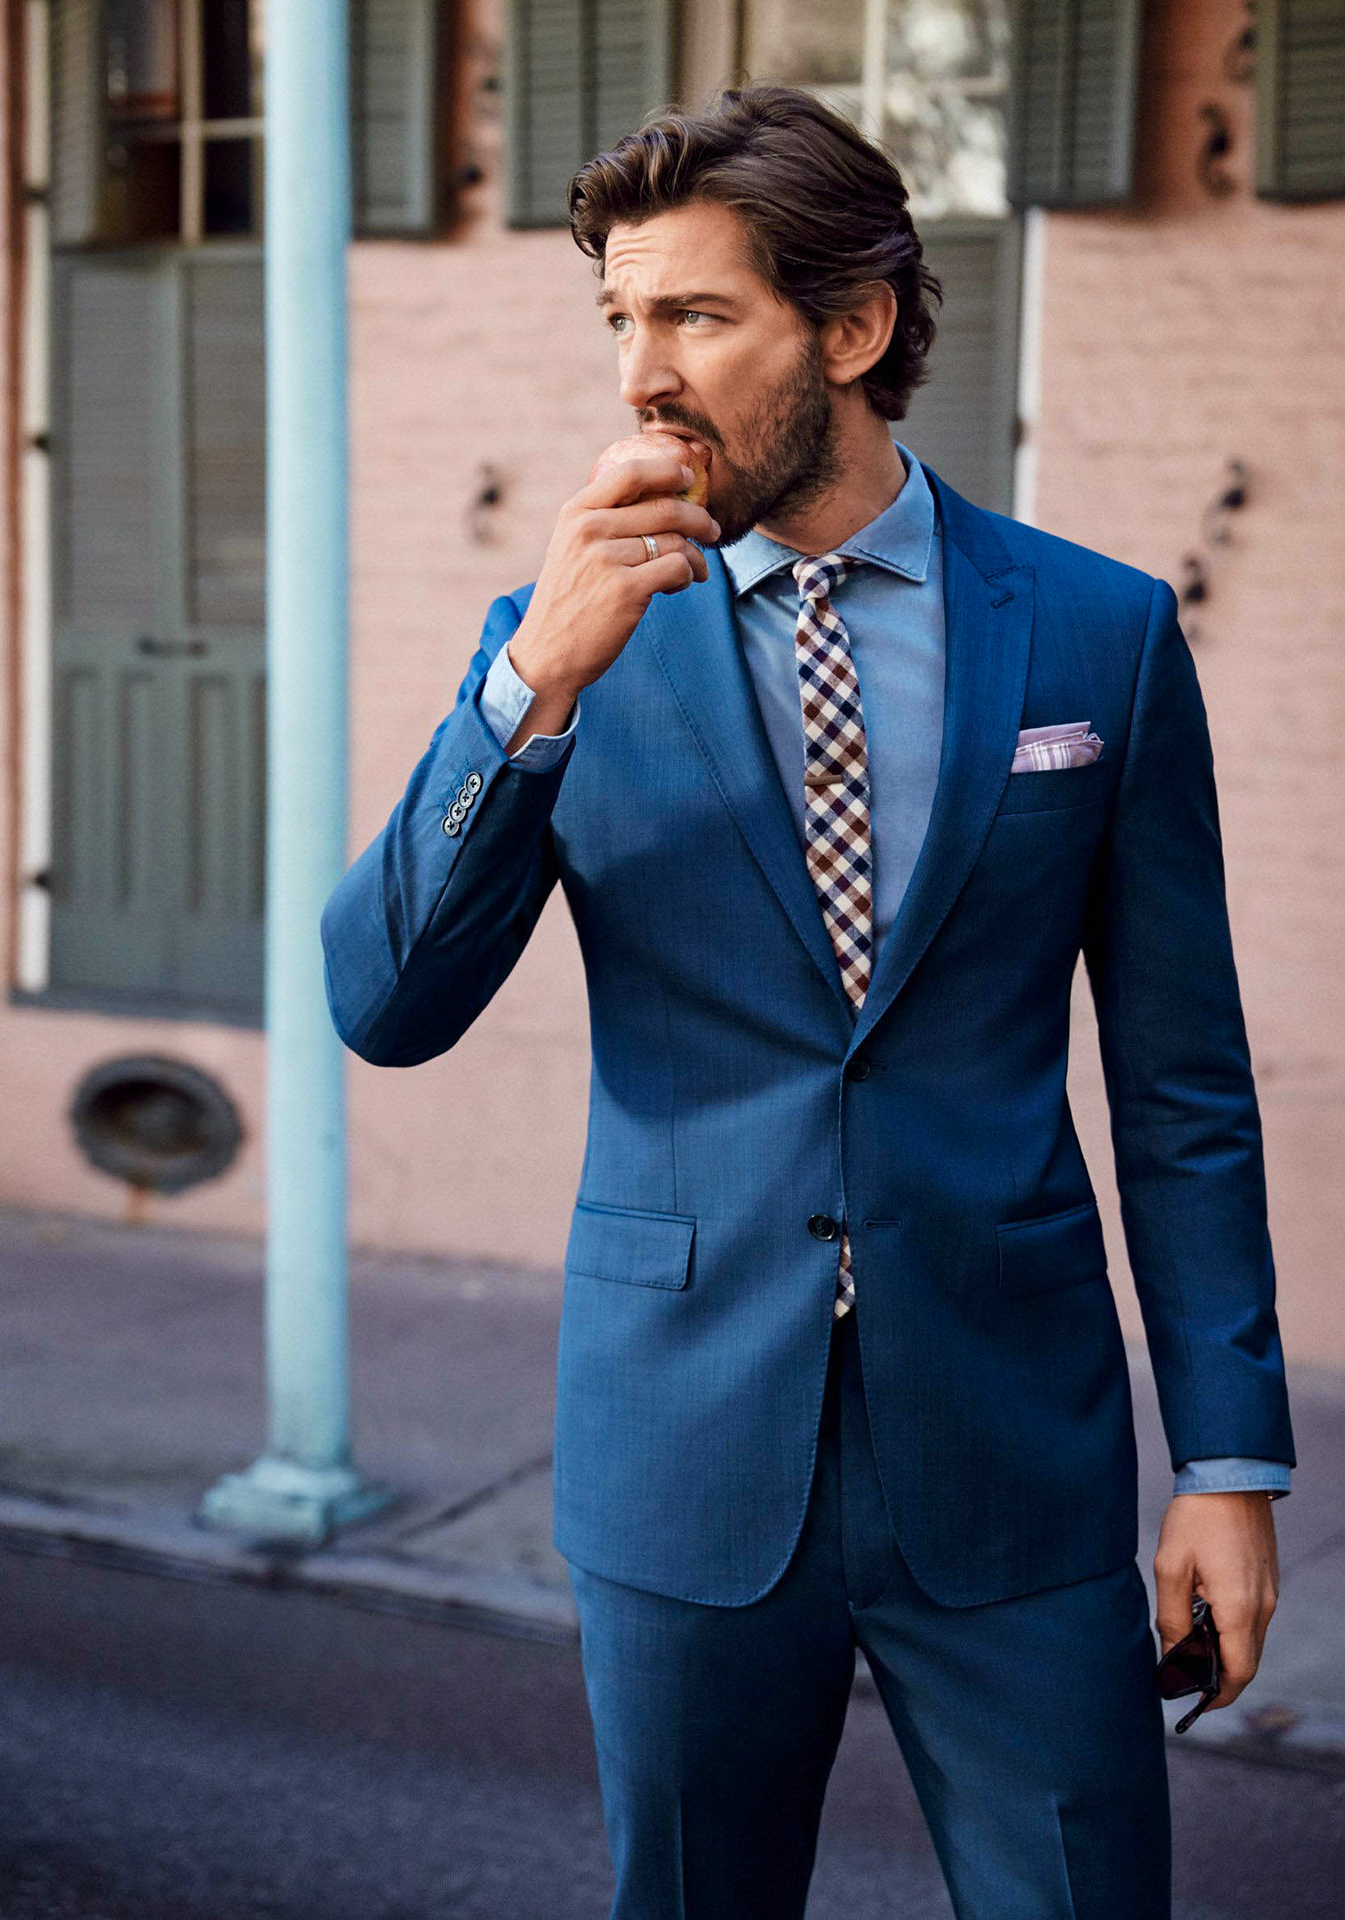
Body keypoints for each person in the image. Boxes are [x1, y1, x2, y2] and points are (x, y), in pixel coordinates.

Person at [321, 85, 1294, 1920]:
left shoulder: (1095, 634)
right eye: (618, 318)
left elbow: (1181, 1087)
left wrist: (1226, 1463)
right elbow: (381, 1005)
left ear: (848, 330)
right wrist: (525, 689)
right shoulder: (561, 644)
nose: (638, 375)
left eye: (692, 316)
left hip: (1015, 1460)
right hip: (683, 1449)